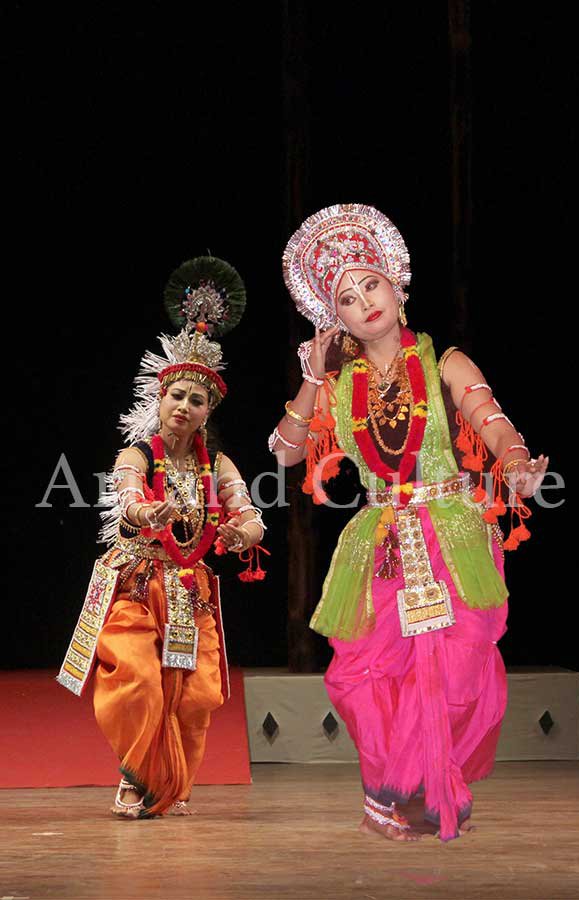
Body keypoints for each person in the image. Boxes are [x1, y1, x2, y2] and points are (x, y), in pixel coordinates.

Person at [272, 203, 548, 842]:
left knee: (456, 675)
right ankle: (388, 791)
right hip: (383, 542)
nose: (364, 302)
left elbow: (493, 423)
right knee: (360, 674)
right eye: (346, 298)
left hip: (454, 535)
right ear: (334, 317)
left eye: (371, 284)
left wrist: (514, 464)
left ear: (397, 286)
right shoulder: (337, 385)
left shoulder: (446, 362)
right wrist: (311, 379)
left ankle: (420, 790)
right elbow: (284, 451)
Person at [58, 256, 266, 819]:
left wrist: (240, 532)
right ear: (160, 398)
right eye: (176, 396)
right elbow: (126, 498)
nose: (184, 406)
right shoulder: (137, 454)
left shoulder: (217, 465)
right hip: (136, 583)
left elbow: (252, 516)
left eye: (196, 400)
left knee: (198, 696)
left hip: (189, 591)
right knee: (138, 681)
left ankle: (172, 783)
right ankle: (136, 779)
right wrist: (147, 512)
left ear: (207, 413)